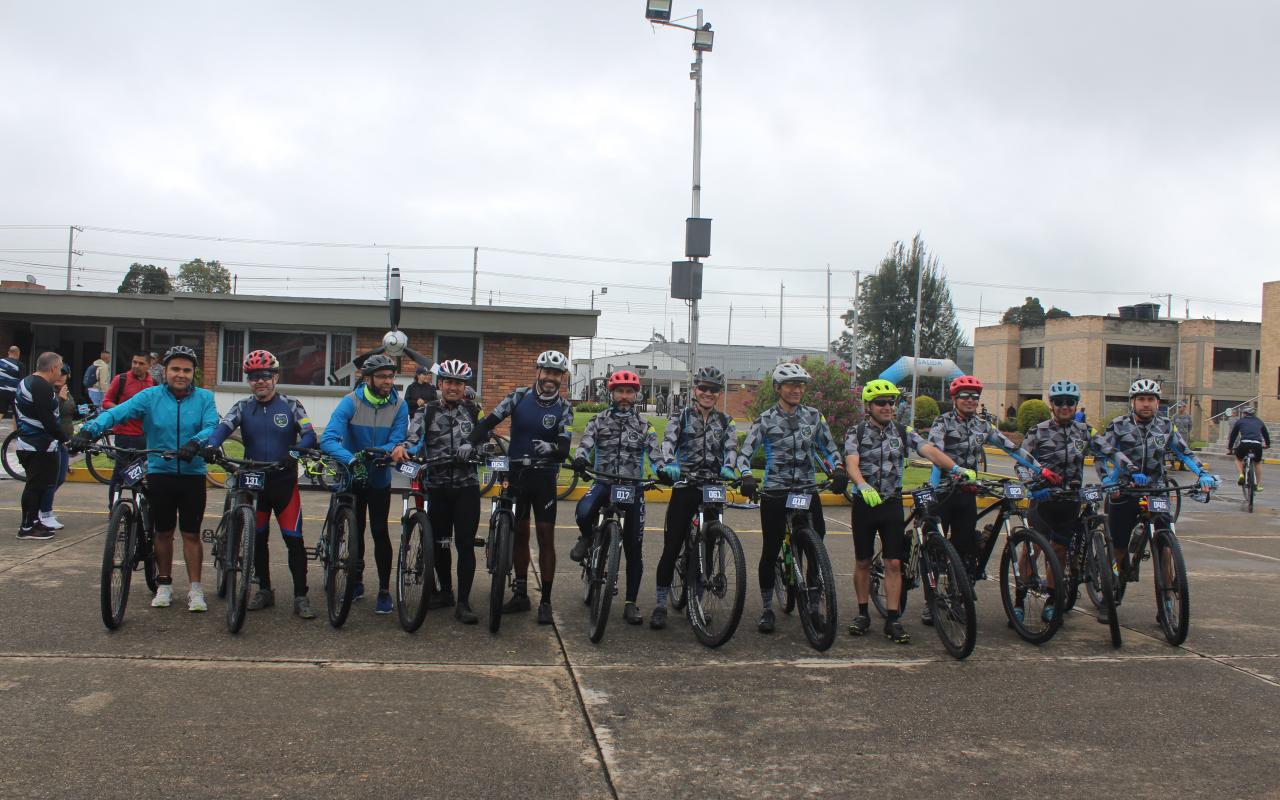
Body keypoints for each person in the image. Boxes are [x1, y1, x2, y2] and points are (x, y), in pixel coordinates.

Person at [70, 346, 220, 611]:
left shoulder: (205, 398)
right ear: (165, 371)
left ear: (193, 373)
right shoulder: (150, 396)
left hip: (192, 474)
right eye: (175, 369)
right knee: (162, 533)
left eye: (186, 370)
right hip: (160, 473)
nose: (181, 375)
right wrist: (89, 430)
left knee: (191, 534)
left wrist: (195, 443)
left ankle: (195, 590)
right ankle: (164, 585)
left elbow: (212, 427)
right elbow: (117, 412)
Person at [845, 379, 971, 643]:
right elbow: (852, 462)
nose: (888, 407)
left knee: (894, 562)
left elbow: (931, 452)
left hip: (891, 504)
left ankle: (893, 619)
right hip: (865, 504)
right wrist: (862, 484)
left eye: (892, 402)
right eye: (881, 402)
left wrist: (956, 469)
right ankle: (862, 613)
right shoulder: (855, 433)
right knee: (863, 562)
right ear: (869, 406)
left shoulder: (903, 431)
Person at [927, 375, 1059, 623]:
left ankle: (957, 596)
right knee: (935, 546)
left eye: (974, 396)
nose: (970, 400)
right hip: (942, 490)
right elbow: (934, 452)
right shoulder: (942, 422)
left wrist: (1041, 470)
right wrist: (951, 474)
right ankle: (931, 598)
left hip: (967, 493)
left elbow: (1013, 448)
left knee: (964, 547)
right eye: (965, 396)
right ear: (954, 398)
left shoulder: (982, 426)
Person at [201, 350, 318, 619]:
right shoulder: (243, 406)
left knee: (294, 540)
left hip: (283, 482)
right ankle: (264, 590)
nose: (259, 381)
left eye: (265, 376)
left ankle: (301, 595)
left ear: (275, 377)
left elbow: (310, 435)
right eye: (253, 377)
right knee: (258, 538)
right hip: (253, 482)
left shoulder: (291, 404)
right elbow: (223, 427)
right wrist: (211, 445)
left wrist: (294, 453)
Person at [1092, 378, 1218, 623]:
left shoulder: (1166, 426)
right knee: (1117, 546)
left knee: (1166, 546)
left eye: (1151, 399)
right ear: (1133, 402)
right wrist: (1108, 482)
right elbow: (1101, 455)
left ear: (1158, 403)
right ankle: (1112, 594)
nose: (1146, 404)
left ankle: (1167, 601)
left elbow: (1185, 452)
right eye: (1141, 399)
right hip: (1124, 491)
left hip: (1156, 491)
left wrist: (1202, 473)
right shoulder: (1119, 426)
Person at [736, 362, 847, 634]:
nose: (796, 390)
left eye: (800, 385)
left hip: (807, 489)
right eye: (790, 385)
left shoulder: (813, 416)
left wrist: (839, 469)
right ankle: (766, 608)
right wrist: (747, 475)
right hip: (776, 490)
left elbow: (830, 449)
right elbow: (744, 453)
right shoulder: (766, 419)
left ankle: (812, 604)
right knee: (771, 548)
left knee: (814, 544)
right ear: (778, 388)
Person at [466, 350, 573, 625]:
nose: (550, 378)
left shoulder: (564, 408)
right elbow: (489, 422)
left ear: (562, 377)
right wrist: (470, 441)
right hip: (516, 473)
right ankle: (521, 593)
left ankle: (546, 601)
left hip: (544, 477)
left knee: (545, 537)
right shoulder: (518, 396)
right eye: (546, 371)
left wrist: (552, 448)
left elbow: (564, 448)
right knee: (521, 534)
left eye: (556, 373)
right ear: (538, 372)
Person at [319, 353, 410, 616]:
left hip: (379, 477)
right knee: (355, 531)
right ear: (367, 378)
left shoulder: (399, 405)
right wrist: (351, 459)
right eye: (382, 376)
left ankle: (383, 590)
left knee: (380, 531)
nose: (388, 381)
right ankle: (356, 581)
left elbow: (397, 440)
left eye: (391, 376)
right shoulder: (350, 402)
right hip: (351, 477)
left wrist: (370, 453)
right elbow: (328, 439)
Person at [649, 366, 738, 630]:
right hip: (685, 484)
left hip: (712, 486)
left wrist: (730, 466)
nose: (708, 393)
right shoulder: (682, 416)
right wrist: (668, 463)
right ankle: (661, 604)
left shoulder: (726, 421)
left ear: (719, 393)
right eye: (703, 388)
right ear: (695, 390)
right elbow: (668, 443)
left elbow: (731, 447)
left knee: (709, 547)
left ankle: (696, 604)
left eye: (713, 389)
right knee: (672, 546)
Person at [570, 369, 660, 625]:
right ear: (611, 393)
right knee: (583, 511)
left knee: (634, 548)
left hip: (633, 488)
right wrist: (580, 458)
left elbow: (656, 455)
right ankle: (587, 537)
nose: (624, 396)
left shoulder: (645, 426)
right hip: (604, 482)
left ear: (636, 395)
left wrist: (662, 469)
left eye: (629, 392)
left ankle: (630, 602)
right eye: (619, 391)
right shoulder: (597, 421)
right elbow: (586, 443)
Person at [403, 359, 482, 624]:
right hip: (437, 487)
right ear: (440, 384)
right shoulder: (426, 412)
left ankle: (463, 603)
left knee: (465, 544)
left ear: (464, 387)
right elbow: (413, 441)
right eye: (449, 382)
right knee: (440, 543)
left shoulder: (474, 411)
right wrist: (407, 452)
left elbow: (485, 442)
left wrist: (475, 451)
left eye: (458, 383)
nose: (453, 387)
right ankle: (446, 592)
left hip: (466, 487)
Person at [1021, 380, 1092, 626]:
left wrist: (1122, 473)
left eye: (1069, 402)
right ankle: (1019, 598)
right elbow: (1023, 463)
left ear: (1076, 405)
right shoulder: (1037, 431)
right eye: (1059, 402)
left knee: (1059, 552)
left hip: (1069, 501)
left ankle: (1052, 602)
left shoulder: (1084, 432)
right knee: (1032, 549)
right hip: (1043, 500)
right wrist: (1033, 486)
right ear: (1051, 405)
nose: (1064, 406)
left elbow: (1108, 452)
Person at [14, 352, 68, 540]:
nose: (60, 371)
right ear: (53, 367)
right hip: (37, 446)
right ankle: (27, 527)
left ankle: (33, 522)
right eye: (60, 367)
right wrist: (64, 438)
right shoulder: (41, 386)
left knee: (39, 486)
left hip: (32, 444)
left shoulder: (28, 382)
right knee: (35, 487)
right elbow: (49, 421)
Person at [101, 352, 156, 505]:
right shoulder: (121, 379)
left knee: (141, 474)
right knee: (120, 473)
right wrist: (123, 412)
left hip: (145, 436)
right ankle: (114, 507)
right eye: (134, 362)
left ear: (149, 365)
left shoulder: (155, 383)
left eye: (141, 363)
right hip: (124, 434)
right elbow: (106, 402)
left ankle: (139, 509)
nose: (136, 366)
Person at [37, 364, 80, 531]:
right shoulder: (49, 392)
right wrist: (60, 398)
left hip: (65, 439)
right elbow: (51, 413)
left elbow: (71, 411)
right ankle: (44, 512)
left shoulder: (66, 391)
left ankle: (44, 508)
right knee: (52, 478)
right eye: (59, 373)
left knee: (60, 478)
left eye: (64, 374)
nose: (61, 376)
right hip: (53, 440)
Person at [1228, 405, 1269, 491]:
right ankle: (1258, 485)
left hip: (1244, 443)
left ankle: (1241, 475)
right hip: (1257, 445)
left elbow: (1233, 435)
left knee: (1238, 459)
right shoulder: (1259, 421)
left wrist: (1230, 447)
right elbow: (1265, 434)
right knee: (1257, 463)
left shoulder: (1240, 421)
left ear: (1245, 414)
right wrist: (1267, 444)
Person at [0, 345, 21, 421]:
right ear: (18, 354)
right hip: (14, 393)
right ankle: (16, 432)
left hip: (1, 391)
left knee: (0, 412)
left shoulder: (0, 362)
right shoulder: (20, 365)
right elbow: (22, 381)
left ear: (8, 352)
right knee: (16, 414)